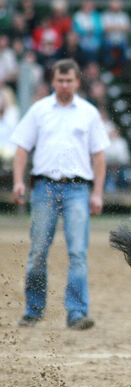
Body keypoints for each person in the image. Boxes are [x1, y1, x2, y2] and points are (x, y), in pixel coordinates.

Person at [11, 58, 109, 330]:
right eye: (60, 80)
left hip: (78, 188)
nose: (64, 85)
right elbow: (21, 148)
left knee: (77, 252)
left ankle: (77, 312)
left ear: (77, 82)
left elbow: (98, 156)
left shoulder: (88, 113)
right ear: (53, 82)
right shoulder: (39, 111)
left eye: (69, 80)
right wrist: (19, 181)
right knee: (38, 252)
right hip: (44, 187)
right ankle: (33, 309)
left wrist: (97, 193)